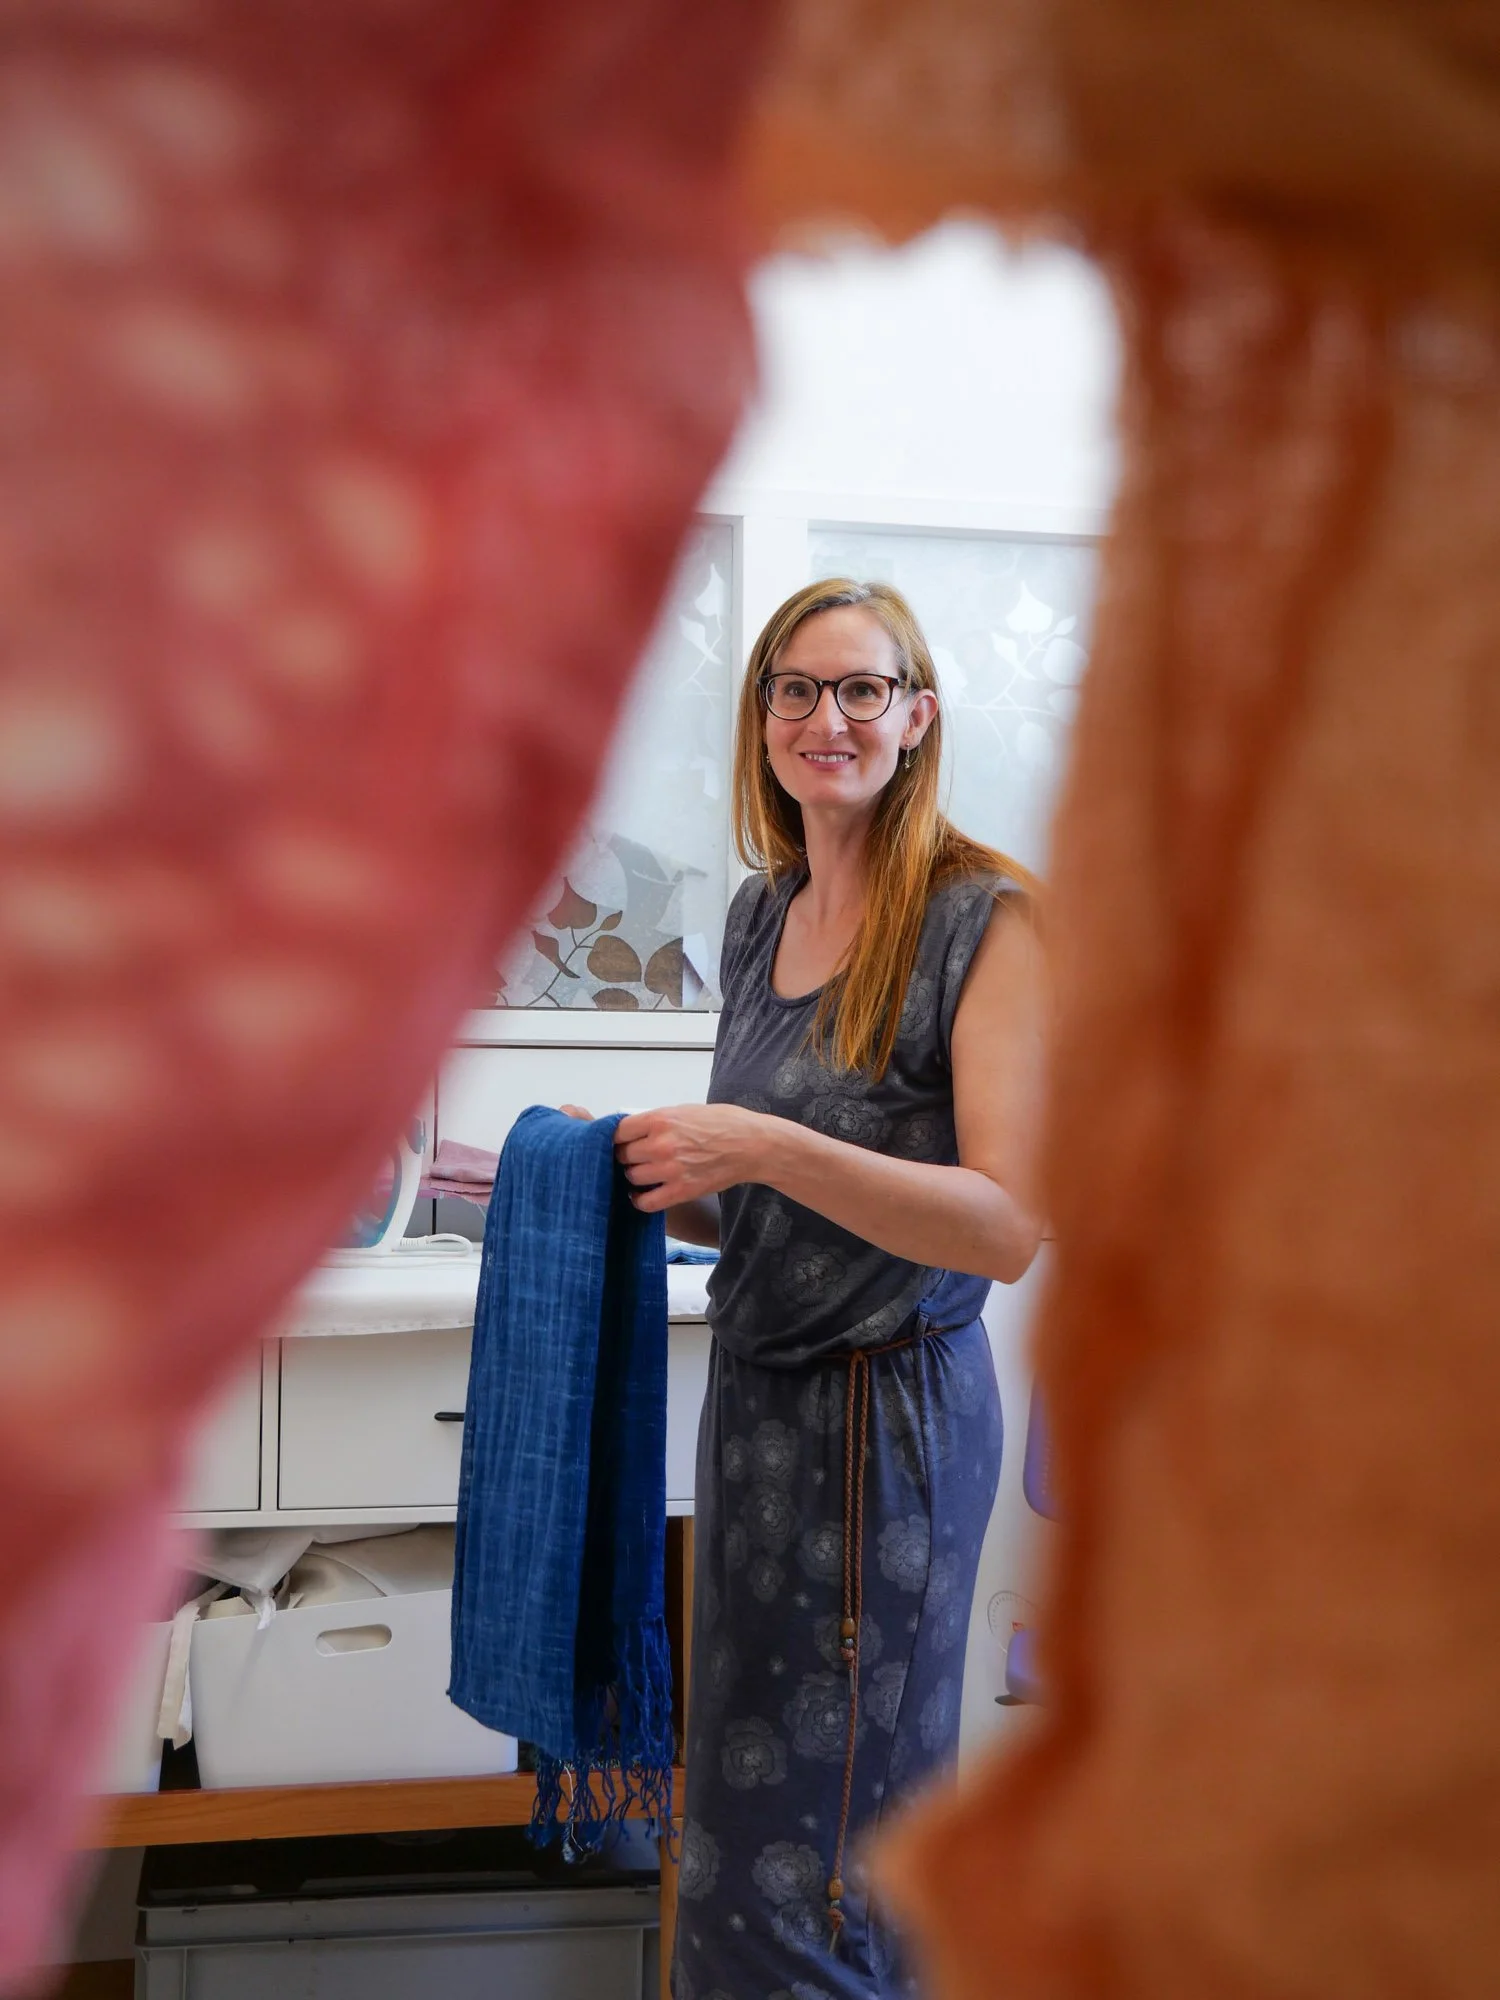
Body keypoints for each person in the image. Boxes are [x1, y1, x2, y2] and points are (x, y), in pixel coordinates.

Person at [569, 577, 1046, 1999]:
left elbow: (1008, 1226)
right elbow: (772, 1208)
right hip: (764, 1410)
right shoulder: (760, 913)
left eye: (860, 689)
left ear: (918, 716)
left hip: (879, 1430)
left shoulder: (986, 922)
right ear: (761, 713)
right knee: (734, 1835)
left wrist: (764, 1141)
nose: (824, 718)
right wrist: (657, 1179)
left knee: (835, 1845)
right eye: (795, 688)